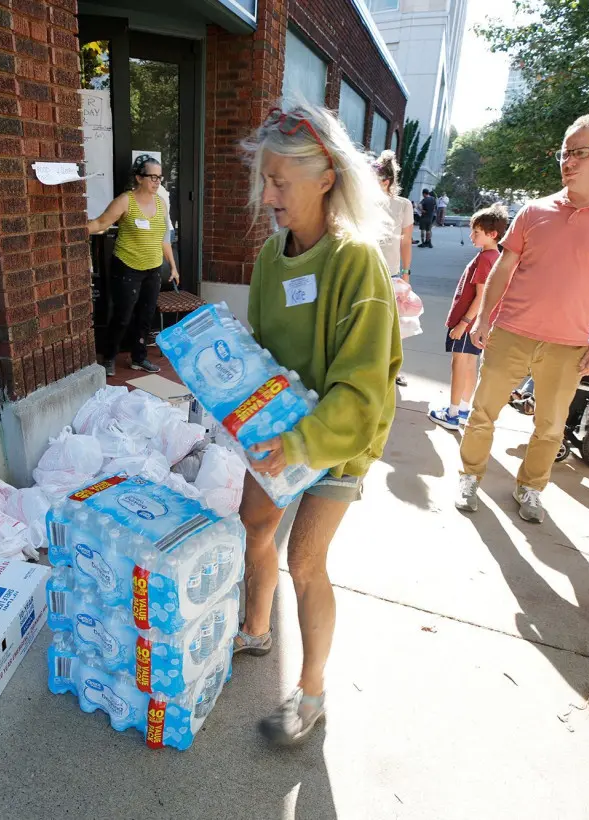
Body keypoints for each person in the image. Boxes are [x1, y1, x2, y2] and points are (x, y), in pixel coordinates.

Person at [231, 104, 401, 746]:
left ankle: (311, 693)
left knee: (305, 561)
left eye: (281, 182)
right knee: (255, 524)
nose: (268, 196)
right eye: (264, 181)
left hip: (338, 439)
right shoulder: (272, 258)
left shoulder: (356, 262)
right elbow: (261, 354)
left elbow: (361, 390)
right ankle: (255, 630)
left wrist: (301, 442)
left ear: (326, 177)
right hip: (278, 431)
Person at [455, 112, 589, 523]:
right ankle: (469, 475)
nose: (569, 161)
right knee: (482, 412)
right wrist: (484, 317)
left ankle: (530, 488)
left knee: (550, 426)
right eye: (565, 153)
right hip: (510, 331)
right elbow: (503, 269)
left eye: (581, 152)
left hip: (569, 343)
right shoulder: (534, 210)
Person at [88, 155, 180, 376]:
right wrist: (72, 230)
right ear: (139, 177)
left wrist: (173, 267)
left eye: (160, 177)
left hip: (152, 269)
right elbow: (101, 223)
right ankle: (109, 356)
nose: (157, 181)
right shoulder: (125, 201)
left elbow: (164, 238)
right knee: (123, 316)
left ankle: (139, 357)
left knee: (145, 316)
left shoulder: (161, 203)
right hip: (127, 267)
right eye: (152, 176)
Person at [429, 204, 509, 431]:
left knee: (459, 365)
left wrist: (463, 323)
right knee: (471, 365)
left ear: (492, 234)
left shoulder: (485, 259)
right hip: (479, 324)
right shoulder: (495, 256)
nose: (472, 235)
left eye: (476, 232)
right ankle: (464, 409)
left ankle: (452, 412)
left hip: (469, 323)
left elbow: (481, 296)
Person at [372, 150, 414, 387]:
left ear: (386, 181)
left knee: (393, 323)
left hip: (391, 272)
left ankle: (393, 367)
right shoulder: (362, 202)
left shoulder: (402, 205)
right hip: (367, 267)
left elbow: (406, 241)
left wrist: (406, 274)